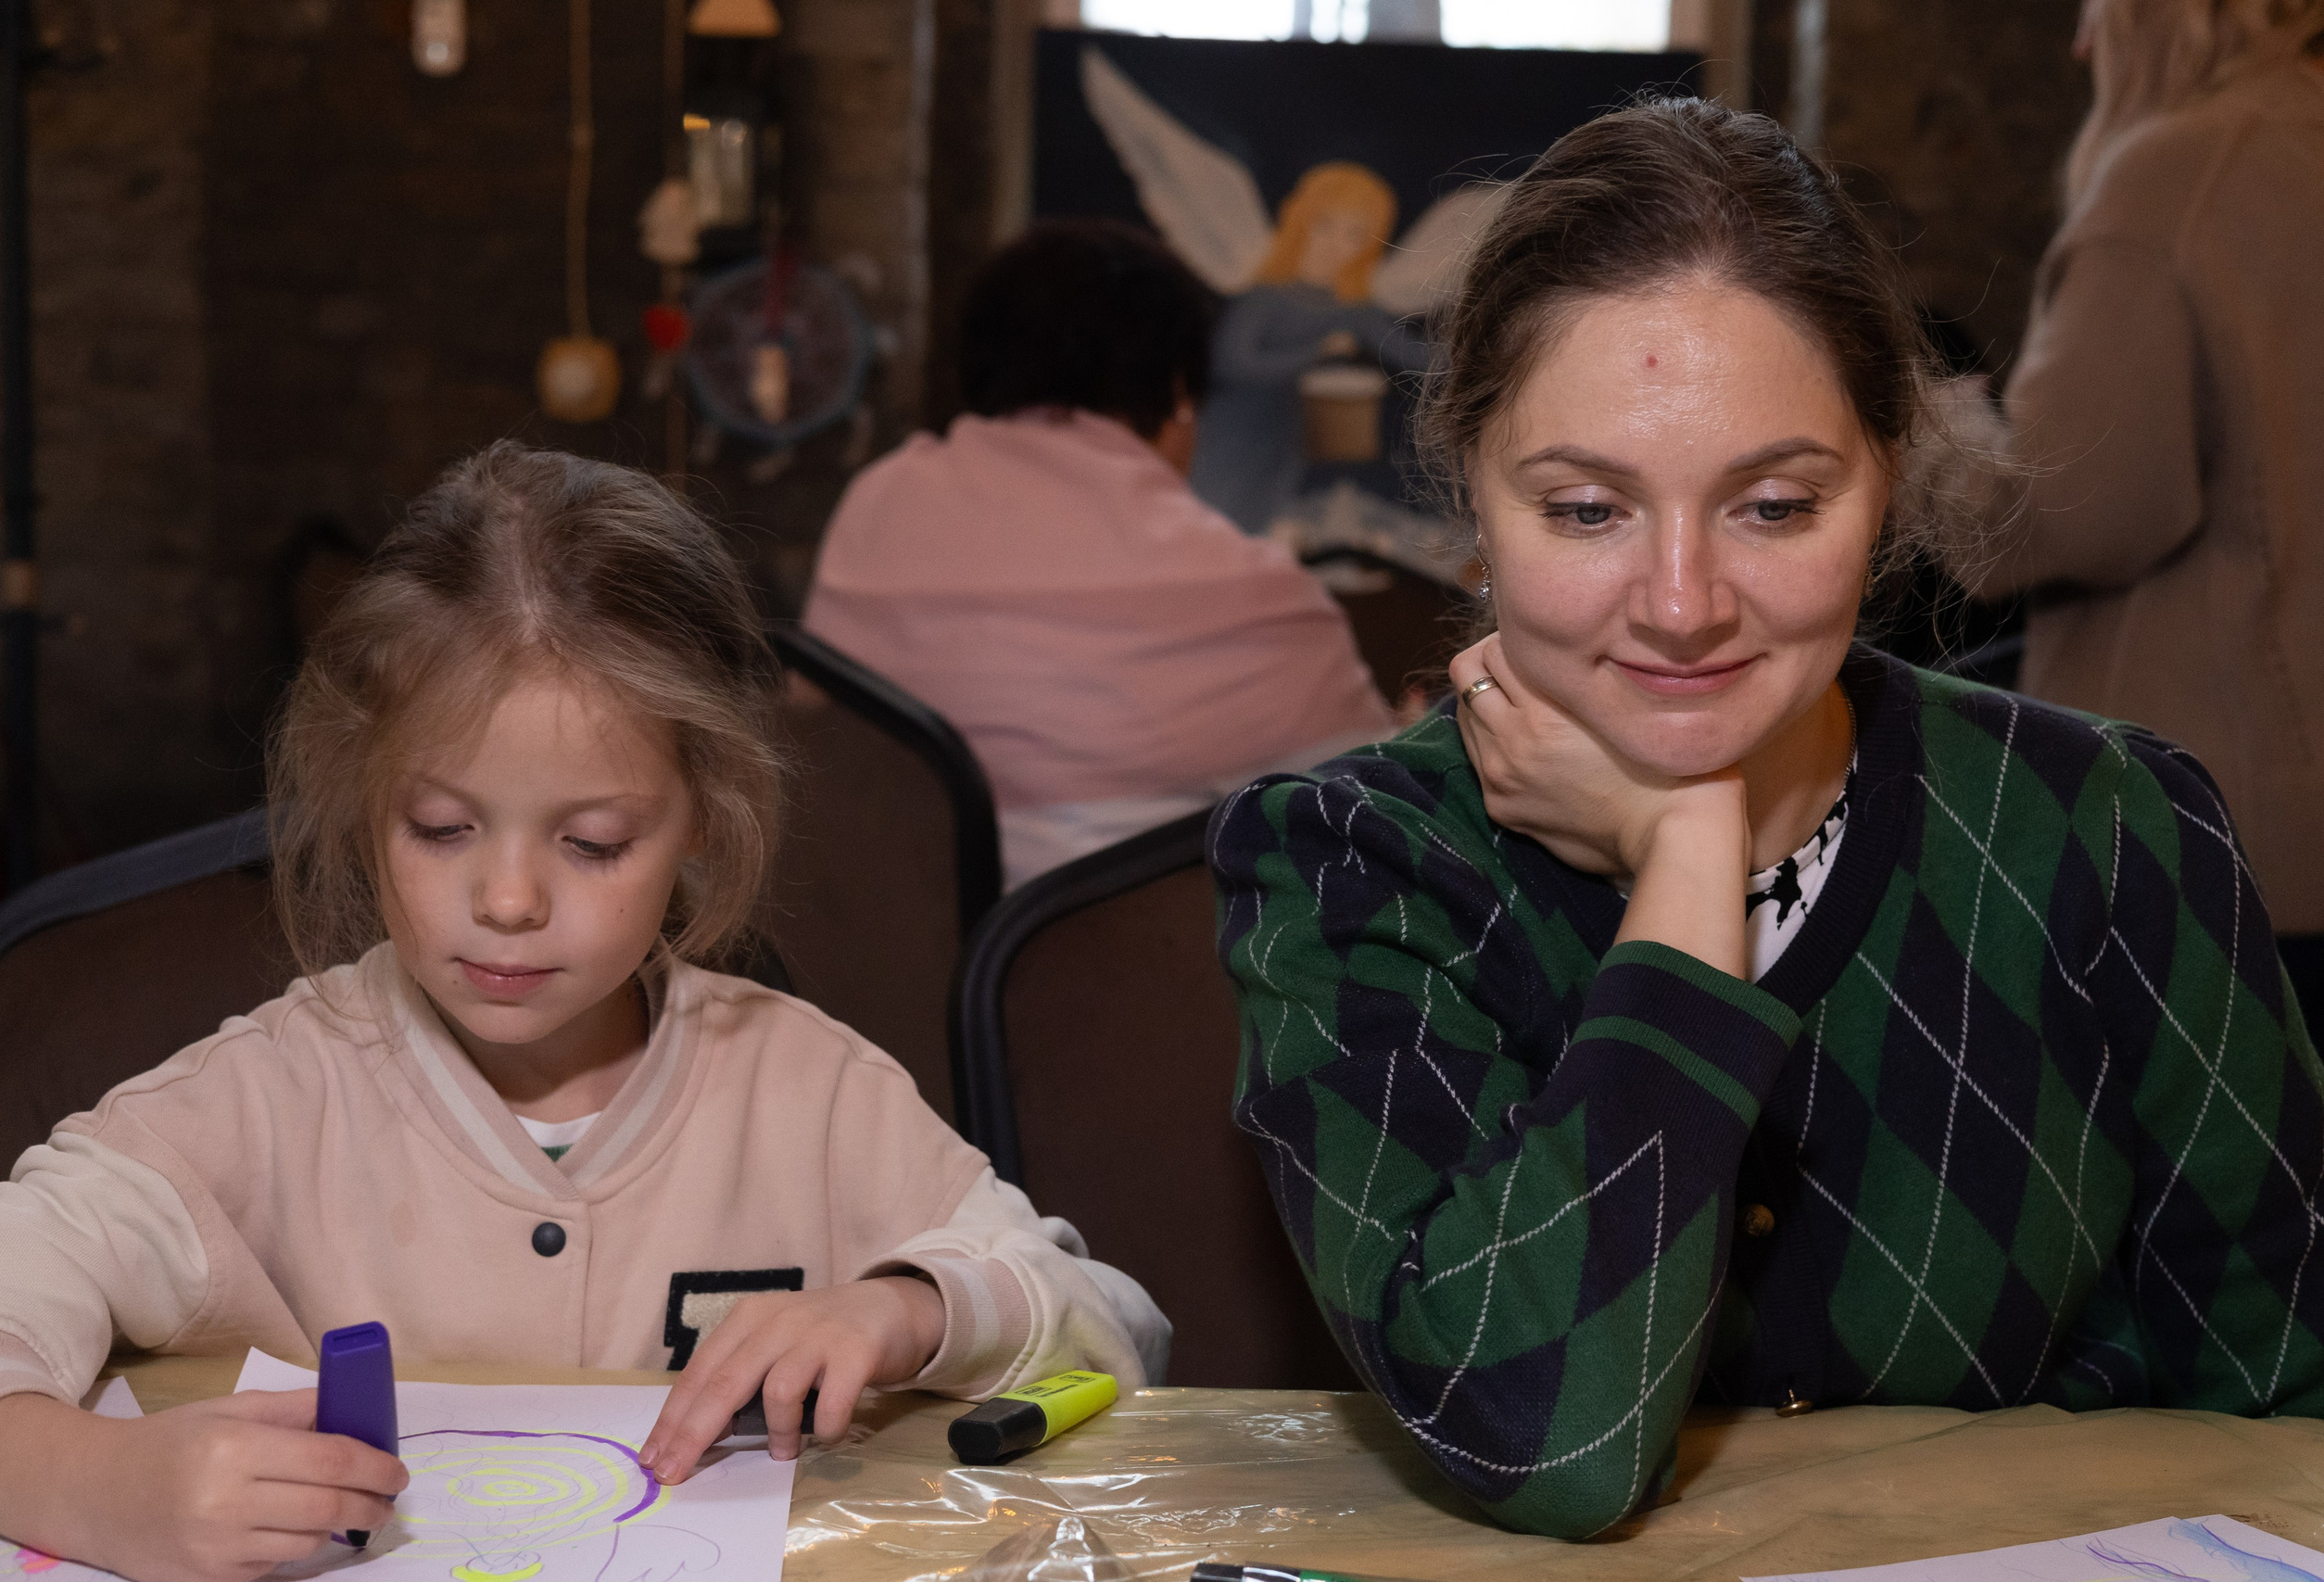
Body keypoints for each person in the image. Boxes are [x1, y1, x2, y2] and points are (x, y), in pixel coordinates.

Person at [1208, 98, 2324, 1543]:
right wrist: (1690, 857)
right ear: (1472, 494)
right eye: (1586, 510)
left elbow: (2302, 1420)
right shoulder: (1350, 868)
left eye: (1772, 505)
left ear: (1886, 484)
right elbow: (1542, 1435)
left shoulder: (2112, 825)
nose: (1685, 603)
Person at [0, 444, 1168, 1578]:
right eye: (441, 828)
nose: (508, 901)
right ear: (362, 800)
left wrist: (912, 1308)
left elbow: (1124, 1335)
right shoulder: (252, 1108)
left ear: (702, 814)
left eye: (594, 842)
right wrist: (92, 1485)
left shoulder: (812, 1094)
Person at [1947, 0, 2324, 1161]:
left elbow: (2048, 514)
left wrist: (1914, 430)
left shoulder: (2182, 175)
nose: (2081, 44)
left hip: (2223, 854)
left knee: (2217, 1291)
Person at [805, 220, 1395, 889]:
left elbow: (814, 713)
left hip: (865, 941)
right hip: (1116, 979)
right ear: (1177, 392)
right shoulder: (1237, 584)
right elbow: (1366, 806)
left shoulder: (879, 500)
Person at [1188, 161, 1428, 535]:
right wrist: (1316, 353)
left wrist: (1489, 360)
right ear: (1300, 223)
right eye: (1324, 226)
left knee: (1257, 532)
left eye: (1354, 235)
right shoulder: (1266, 297)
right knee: (1210, 526)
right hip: (1231, 434)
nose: (1335, 244)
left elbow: (1413, 355)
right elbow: (1232, 364)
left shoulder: (1353, 308)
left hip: (1284, 439)